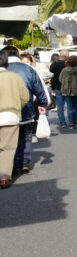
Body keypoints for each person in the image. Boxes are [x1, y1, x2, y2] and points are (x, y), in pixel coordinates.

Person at [0, 46, 46, 175]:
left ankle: (12, 165)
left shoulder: (5, 70)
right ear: (18, 55)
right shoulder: (28, 68)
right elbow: (39, 87)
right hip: (25, 109)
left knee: (7, 141)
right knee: (25, 136)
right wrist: (43, 103)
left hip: (4, 113)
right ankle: (24, 162)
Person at [0, 51, 30, 189]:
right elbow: (25, 97)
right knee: (8, 148)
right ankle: (4, 178)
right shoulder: (14, 77)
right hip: (10, 116)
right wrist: (17, 106)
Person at [20, 53, 50, 144]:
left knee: (33, 117)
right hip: (20, 99)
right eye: (23, 62)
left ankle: (33, 134)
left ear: (31, 62)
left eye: (27, 62)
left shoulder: (34, 71)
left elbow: (41, 87)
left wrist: (43, 102)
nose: (26, 64)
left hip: (33, 99)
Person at [58, 55, 77, 129]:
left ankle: (71, 124)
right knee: (76, 106)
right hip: (76, 90)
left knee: (69, 106)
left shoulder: (64, 70)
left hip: (67, 90)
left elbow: (60, 79)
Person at [49, 50, 69, 127]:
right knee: (71, 105)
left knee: (60, 106)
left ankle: (62, 122)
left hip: (57, 87)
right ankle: (72, 122)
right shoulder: (68, 64)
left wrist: (53, 87)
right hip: (68, 88)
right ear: (66, 55)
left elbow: (52, 76)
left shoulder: (54, 64)